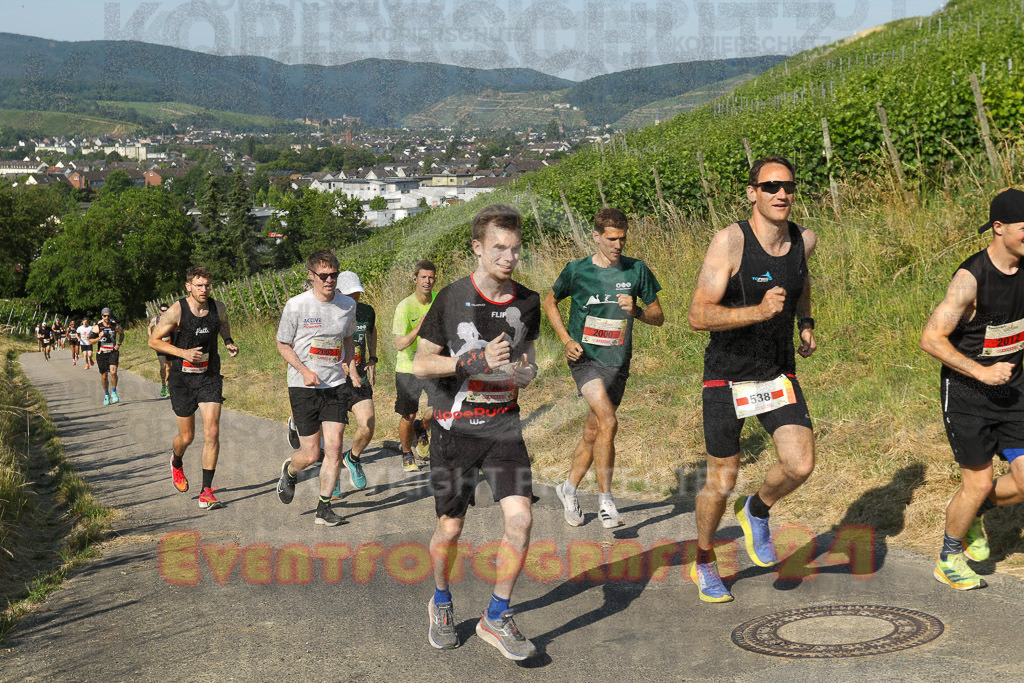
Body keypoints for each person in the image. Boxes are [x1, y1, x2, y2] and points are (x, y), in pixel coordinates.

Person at [687, 156, 818, 603]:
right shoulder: (729, 243)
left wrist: (805, 323)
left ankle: (757, 510)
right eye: (770, 186)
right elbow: (698, 314)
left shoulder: (804, 239)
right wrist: (757, 311)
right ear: (752, 193)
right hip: (727, 377)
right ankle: (704, 560)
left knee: (800, 464)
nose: (781, 194)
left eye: (788, 186)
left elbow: (800, 283)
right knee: (721, 481)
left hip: (777, 371)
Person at [415, 204, 541, 660]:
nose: (508, 258)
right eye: (498, 248)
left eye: (515, 249)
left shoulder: (528, 301)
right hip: (456, 430)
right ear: (478, 248)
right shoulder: (450, 298)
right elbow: (422, 362)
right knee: (451, 528)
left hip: (505, 426)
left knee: (521, 519)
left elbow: (526, 359)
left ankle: (496, 614)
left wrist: (526, 373)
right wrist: (469, 362)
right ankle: (442, 601)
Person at [920, 188, 1024, 590]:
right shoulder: (970, 278)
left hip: (1013, 390)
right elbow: (931, 338)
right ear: (998, 228)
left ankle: (976, 512)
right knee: (977, 481)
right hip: (967, 395)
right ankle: (949, 557)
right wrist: (980, 373)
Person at [543, 207, 664, 528]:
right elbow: (549, 301)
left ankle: (567, 489)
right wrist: (566, 339)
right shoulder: (577, 271)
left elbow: (659, 316)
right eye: (611, 239)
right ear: (596, 236)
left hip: (618, 362)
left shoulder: (637, 271)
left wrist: (636, 311)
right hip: (585, 360)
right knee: (609, 421)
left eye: (622, 239)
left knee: (594, 430)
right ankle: (606, 501)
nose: (618, 245)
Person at [274, 251, 361, 526]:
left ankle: (323, 509)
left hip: (334, 385)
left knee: (334, 448)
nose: (330, 280)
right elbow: (282, 344)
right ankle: (290, 470)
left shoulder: (347, 304)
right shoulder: (297, 305)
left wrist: (352, 368)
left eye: (334, 274)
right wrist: (304, 370)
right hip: (303, 386)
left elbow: (348, 338)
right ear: (311, 276)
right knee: (311, 454)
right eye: (323, 275)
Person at [148, 266, 239, 510]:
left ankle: (206, 490)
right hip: (182, 379)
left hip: (209, 375)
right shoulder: (178, 310)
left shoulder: (218, 307)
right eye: (198, 285)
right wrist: (183, 352)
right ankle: (176, 461)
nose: (203, 289)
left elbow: (224, 324)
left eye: (207, 285)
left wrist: (228, 342)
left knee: (212, 431)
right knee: (187, 437)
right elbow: (153, 340)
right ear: (188, 286)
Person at [329, 271, 375, 497]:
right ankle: (333, 479)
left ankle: (353, 458)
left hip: (359, 379)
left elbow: (372, 331)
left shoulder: (366, 311)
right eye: (350, 294)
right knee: (335, 438)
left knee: (367, 425)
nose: (354, 298)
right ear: (338, 292)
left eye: (357, 294)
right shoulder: (329, 312)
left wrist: (373, 358)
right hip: (333, 382)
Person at [393, 260, 437, 471]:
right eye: (423, 277)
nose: (427, 281)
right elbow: (399, 344)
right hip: (408, 367)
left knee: (439, 408)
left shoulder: (439, 300)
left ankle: (422, 427)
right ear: (415, 279)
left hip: (432, 365)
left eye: (431, 277)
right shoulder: (405, 306)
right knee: (408, 415)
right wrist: (420, 326)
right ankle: (406, 452)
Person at [88, 308, 124, 405]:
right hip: (102, 353)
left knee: (113, 372)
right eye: (105, 316)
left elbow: (122, 334)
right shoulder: (97, 327)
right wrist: (99, 337)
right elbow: (90, 341)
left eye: (108, 315)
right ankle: (107, 395)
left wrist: (118, 344)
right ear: (102, 316)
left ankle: (114, 393)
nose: (107, 317)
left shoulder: (115, 326)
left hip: (113, 352)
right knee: (104, 376)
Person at [148, 303, 172, 397]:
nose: (164, 312)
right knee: (163, 366)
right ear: (159, 311)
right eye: (163, 310)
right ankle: (163, 385)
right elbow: (149, 327)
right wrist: (151, 337)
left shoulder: (171, 319)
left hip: (169, 345)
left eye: (166, 310)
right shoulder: (156, 319)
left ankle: (168, 386)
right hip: (159, 346)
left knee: (169, 368)